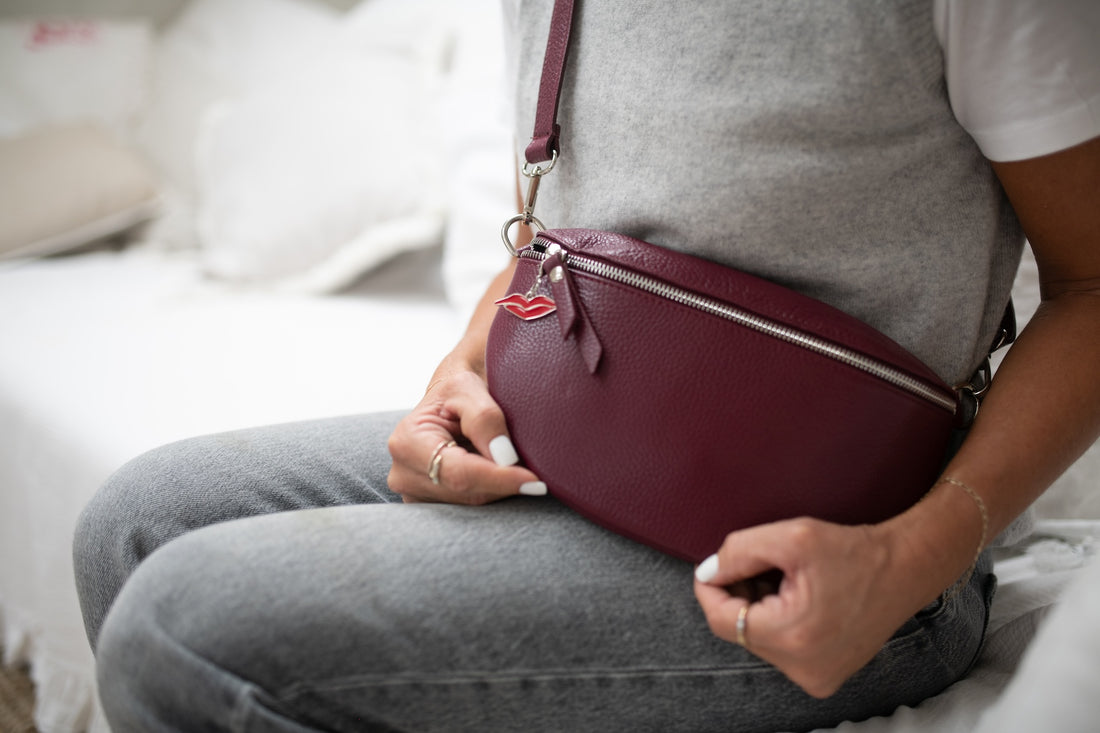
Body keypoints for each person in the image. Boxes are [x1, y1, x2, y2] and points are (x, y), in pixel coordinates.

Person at [74, 2, 1100, 731]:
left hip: (846, 549)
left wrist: (911, 559)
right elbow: (562, 233)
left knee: (183, 627)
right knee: (136, 521)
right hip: (567, 439)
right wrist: (460, 368)